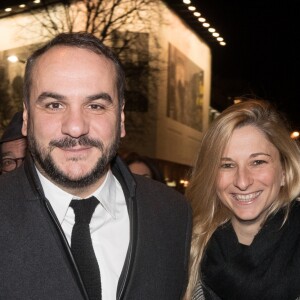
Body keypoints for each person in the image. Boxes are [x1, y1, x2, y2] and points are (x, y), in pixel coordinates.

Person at [0, 32, 192, 299]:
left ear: (121, 119)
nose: (76, 127)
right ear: (26, 118)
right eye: (55, 105)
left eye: (95, 105)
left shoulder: (173, 214)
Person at [184, 99, 300, 300]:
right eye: (227, 165)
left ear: (284, 171)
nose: (243, 181)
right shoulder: (188, 249)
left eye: (257, 162)